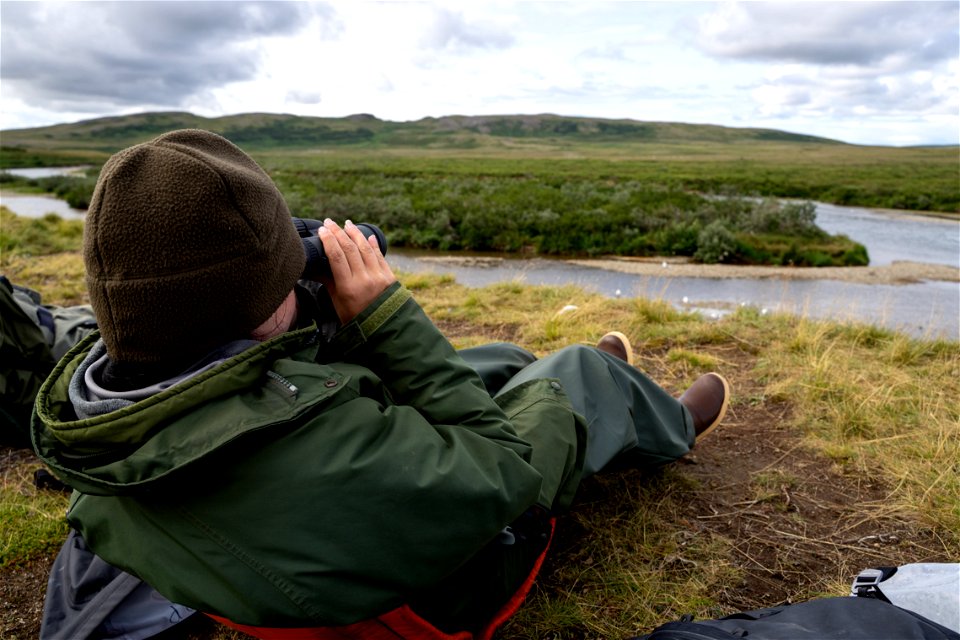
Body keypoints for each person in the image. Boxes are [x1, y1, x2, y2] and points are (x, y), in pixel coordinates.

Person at [31, 129, 730, 639]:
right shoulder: (330, 452)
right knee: (562, 381)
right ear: (248, 305)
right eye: (285, 274)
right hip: (436, 599)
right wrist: (387, 316)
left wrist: (303, 316)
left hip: (290, 542)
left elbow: (299, 395)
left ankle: (598, 385)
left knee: (493, 358)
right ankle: (655, 414)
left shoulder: (98, 415)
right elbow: (507, 472)